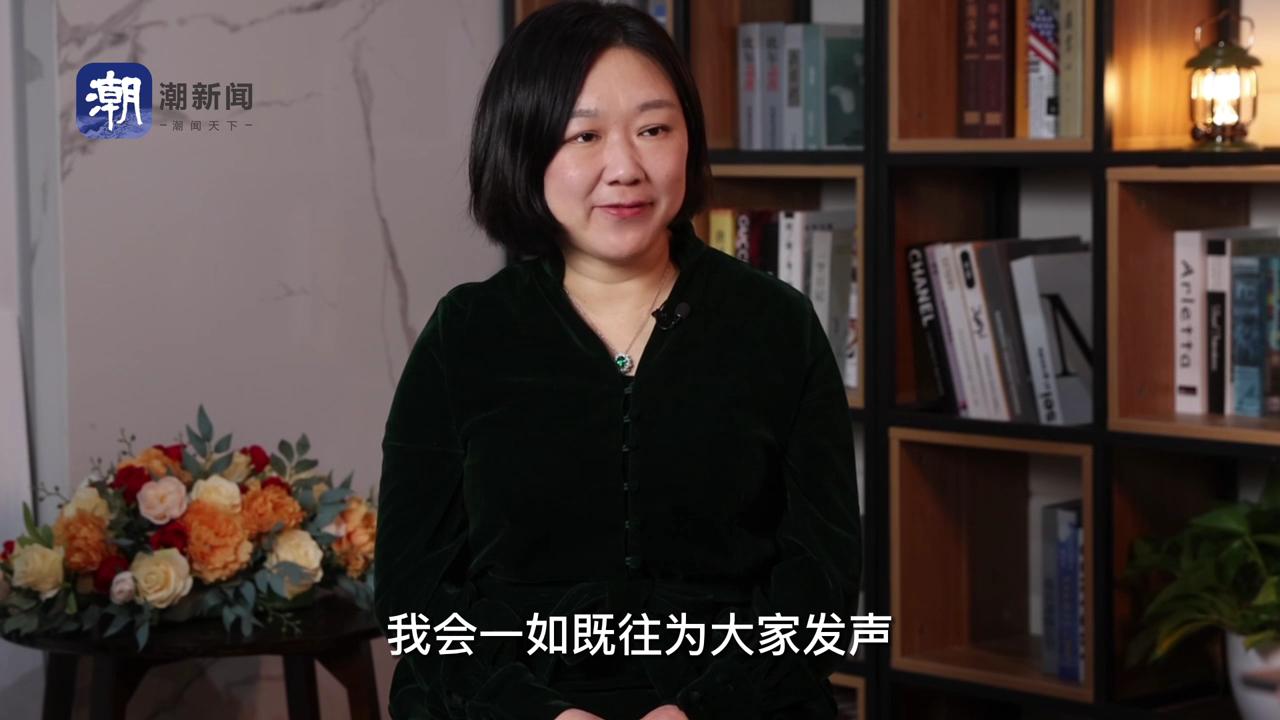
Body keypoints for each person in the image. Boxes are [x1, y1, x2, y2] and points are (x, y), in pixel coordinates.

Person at [373, 2, 862, 719]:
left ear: (688, 140)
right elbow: (414, 594)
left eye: (654, 130)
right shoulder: (466, 333)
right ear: (524, 147)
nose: (625, 168)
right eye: (585, 135)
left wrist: (701, 710)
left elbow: (822, 580)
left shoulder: (776, 324)